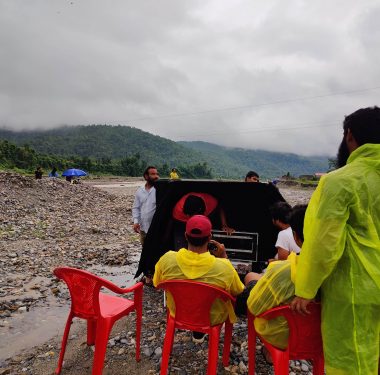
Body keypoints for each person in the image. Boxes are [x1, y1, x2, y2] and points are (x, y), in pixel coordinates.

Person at [291, 106, 380, 375]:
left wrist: (306, 288)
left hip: (356, 288)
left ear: (349, 136)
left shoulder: (340, 182)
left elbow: (323, 243)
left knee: (350, 361)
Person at [153, 214, 244, 341]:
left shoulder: (167, 259)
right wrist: (223, 256)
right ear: (210, 237)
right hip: (212, 319)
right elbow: (238, 290)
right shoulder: (224, 266)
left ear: (185, 236)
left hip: (178, 313)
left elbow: (157, 283)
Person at [234, 205, 307, 363]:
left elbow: (253, 306)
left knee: (253, 279)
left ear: (296, 237)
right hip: (318, 337)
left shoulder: (281, 271)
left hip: (283, 337)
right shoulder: (340, 272)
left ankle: (269, 351)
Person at [132, 166, 159, 246]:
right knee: (145, 251)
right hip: (143, 228)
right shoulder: (140, 190)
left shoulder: (160, 190)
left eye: (157, 174)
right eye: (153, 174)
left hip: (156, 229)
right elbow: (136, 207)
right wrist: (136, 222)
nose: (156, 176)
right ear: (146, 176)